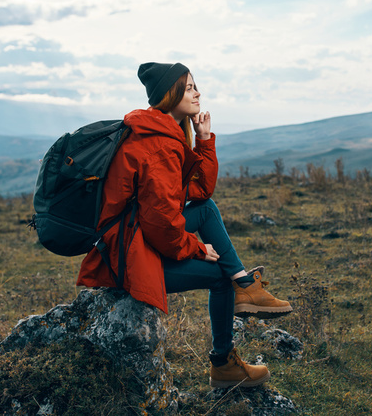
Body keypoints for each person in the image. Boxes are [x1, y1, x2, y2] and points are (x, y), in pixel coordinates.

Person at [77, 62, 292, 388]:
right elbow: (160, 223)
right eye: (190, 87)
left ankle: (245, 285)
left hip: (136, 242)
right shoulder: (157, 144)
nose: (198, 92)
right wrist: (196, 247)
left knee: (205, 210)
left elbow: (199, 192)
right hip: (130, 257)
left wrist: (204, 140)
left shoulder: (162, 132)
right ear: (170, 93)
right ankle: (224, 363)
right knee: (219, 278)